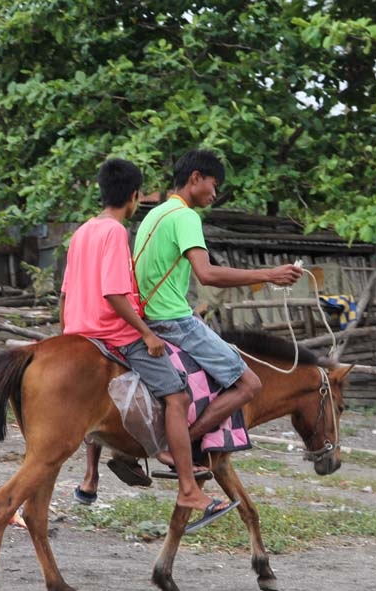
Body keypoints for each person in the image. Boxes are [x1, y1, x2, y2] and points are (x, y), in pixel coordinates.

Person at [80, 149, 303, 492]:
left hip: (146, 316)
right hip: (173, 320)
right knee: (249, 384)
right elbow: (206, 273)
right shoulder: (186, 217)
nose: (214, 195)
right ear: (195, 178)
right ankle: (182, 444)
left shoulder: (153, 215)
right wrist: (269, 274)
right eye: (213, 185)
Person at [61, 158, 236, 527]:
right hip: (115, 332)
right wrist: (146, 333)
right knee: (177, 396)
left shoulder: (82, 231)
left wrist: (69, 333)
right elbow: (114, 293)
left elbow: (65, 293)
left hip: (79, 329)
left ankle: (90, 477)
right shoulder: (114, 232)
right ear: (135, 196)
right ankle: (188, 487)